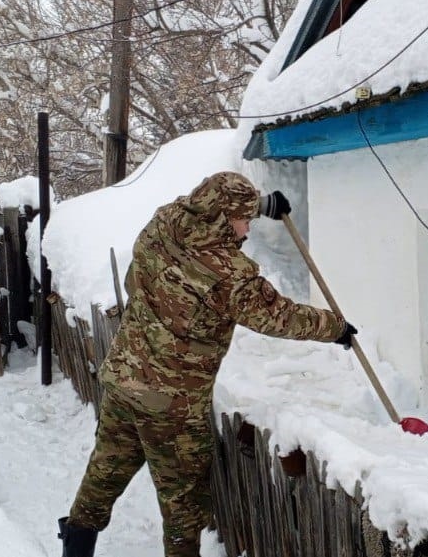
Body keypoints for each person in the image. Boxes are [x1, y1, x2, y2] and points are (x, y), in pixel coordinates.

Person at [57, 171, 358, 557]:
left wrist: (263, 205)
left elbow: (143, 272)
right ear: (224, 216)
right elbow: (277, 316)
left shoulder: (163, 222)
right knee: (182, 505)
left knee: (105, 471)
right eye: (244, 219)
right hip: (172, 407)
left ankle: (75, 549)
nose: (248, 229)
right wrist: (334, 327)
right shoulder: (228, 273)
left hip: (122, 377)